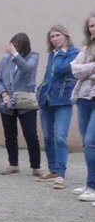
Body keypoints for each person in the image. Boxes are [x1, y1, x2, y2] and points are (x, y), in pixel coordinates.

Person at [35, 25, 79, 189]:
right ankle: (53, 169)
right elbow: (49, 75)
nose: (54, 39)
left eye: (57, 36)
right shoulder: (51, 54)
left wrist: (61, 53)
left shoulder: (74, 53)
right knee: (48, 137)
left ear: (66, 36)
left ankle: (61, 174)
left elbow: (60, 69)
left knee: (60, 137)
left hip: (63, 100)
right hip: (47, 100)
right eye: (52, 37)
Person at [0, 32, 42, 177]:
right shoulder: (5, 60)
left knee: (30, 135)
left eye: (16, 45)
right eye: (12, 45)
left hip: (25, 102)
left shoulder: (33, 56)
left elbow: (27, 69)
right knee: (10, 135)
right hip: (7, 103)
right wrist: (3, 94)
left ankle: (36, 166)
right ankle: (13, 164)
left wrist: (15, 54)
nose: (13, 48)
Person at [71, 12, 95, 201]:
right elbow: (75, 70)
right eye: (91, 26)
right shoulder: (87, 48)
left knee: (91, 142)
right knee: (87, 144)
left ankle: (93, 186)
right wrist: (92, 67)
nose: (93, 29)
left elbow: (82, 70)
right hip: (83, 98)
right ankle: (89, 182)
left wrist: (87, 69)